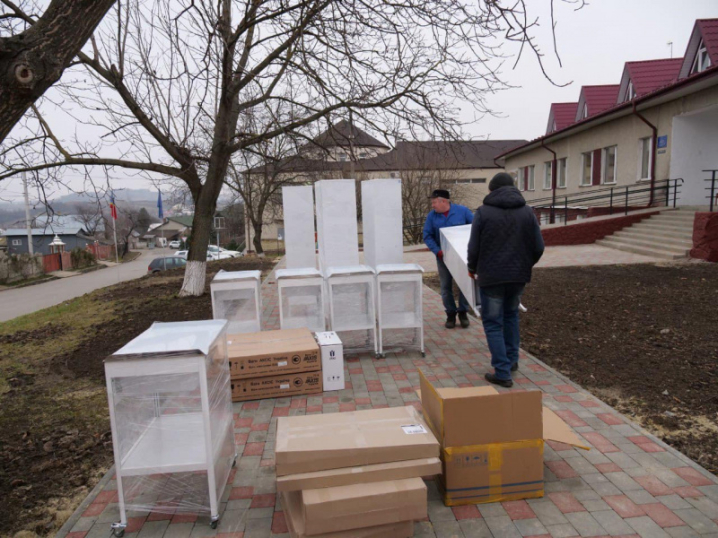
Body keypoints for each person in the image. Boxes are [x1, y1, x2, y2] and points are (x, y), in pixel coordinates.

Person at [467, 173, 545, 388]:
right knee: (511, 317)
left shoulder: (483, 213)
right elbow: (539, 247)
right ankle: (511, 362)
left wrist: (472, 267)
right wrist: (526, 264)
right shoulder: (527, 212)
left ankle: (502, 372)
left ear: (492, 190)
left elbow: (473, 247)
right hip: (518, 275)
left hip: (491, 276)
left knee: (492, 323)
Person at [423, 189, 474, 329]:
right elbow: (427, 236)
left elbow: (476, 228)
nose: (432, 205)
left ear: (443, 201)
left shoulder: (463, 211)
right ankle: (450, 314)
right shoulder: (432, 216)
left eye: (434, 202)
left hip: (462, 257)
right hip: (443, 257)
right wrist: (437, 251)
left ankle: (463, 312)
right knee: (445, 287)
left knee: (465, 284)